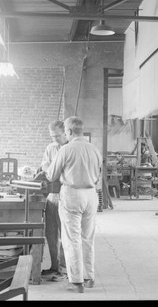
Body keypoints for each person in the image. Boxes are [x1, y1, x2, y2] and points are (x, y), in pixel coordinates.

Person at [46, 116, 102, 293]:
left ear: (69, 131)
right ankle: (89, 278)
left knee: (72, 239)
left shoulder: (66, 149)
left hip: (72, 194)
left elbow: (51, 175)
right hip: (91, 195)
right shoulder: (95, 150)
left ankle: (76, 282)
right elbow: (99, 175)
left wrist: (49, 168)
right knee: (88, 238)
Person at [38, 120, 68, 281]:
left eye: (57, 135)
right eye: (52, 136)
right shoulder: (50, 148)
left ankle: (64, 269)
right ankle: (54, 267)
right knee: (51, 232)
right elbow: (44, 166)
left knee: (65, 233)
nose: (55, 138)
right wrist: (49, 170)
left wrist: (53, 171)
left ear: (65, 132)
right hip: (51, 194)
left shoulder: (69, 148)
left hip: (65, 194)